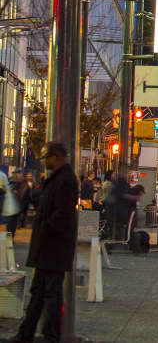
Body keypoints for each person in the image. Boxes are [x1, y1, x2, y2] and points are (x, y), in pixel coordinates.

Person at [11, 143, 78, 343]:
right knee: (40, 292)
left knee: (50, 294)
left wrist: (46, 229)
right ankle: (27, 333)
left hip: (53, 247)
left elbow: (62, 214)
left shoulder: (64, 180)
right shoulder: (57, 179)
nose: (45, 162)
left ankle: (49, 335)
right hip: (49, 246)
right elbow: (46, 205)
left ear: (55, 157)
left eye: (46, 158)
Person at [3, 171, 24, 240]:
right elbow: (11, 190)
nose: (20, 176)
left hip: (15, 209)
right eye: (19, 174)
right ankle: (9, 240)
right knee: (10, 227)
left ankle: (10, 239)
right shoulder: (12, 182)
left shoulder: (17, 183)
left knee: (12, 226)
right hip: (10, 209)